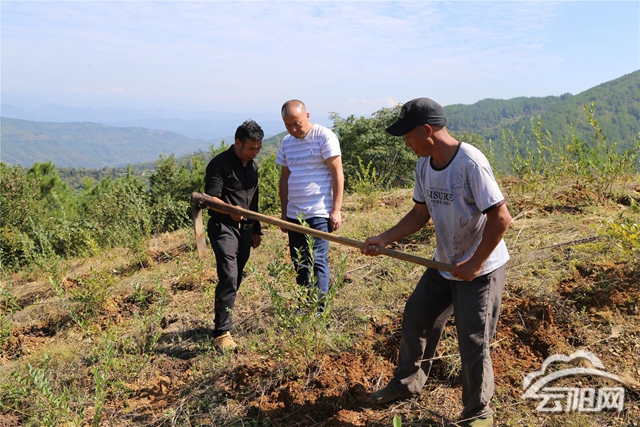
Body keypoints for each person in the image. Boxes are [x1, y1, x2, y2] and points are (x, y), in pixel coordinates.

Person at [361, 98, 512, 427]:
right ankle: (406, 384)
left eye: (408, 136)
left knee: (473, 340)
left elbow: (501, 218)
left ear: (427, 131)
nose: (406, 143)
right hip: (444, 263)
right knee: (418, 316)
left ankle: (478, 413)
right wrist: (385, 238)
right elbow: (420, 214)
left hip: (481, 269)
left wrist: (475, 263)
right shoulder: (425, 165)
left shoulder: (470, 163)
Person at [276, 100, 344, 305]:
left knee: (317, 258)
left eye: (297, 124)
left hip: (319, 211)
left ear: (307, 116)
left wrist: (336, 210)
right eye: (288, 125)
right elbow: (284, 178)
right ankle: (306, 305)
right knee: (300, 261)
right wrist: (284, 212)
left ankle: (319, 309)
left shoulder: (324, 136)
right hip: (294, 213)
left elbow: (337, 173)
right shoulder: (287, 142)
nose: (293, 129)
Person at [204, 119, 264, 352]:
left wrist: (257, 228)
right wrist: (231, 210)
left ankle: (222, 318)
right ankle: (221, 333)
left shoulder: (252, 167)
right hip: (224, 228)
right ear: (238, 142)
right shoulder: (219, 164)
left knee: (235, 278)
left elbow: (253, 199)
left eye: (258, 148)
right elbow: (210, 199)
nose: (255, 152)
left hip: (245, 231)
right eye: (251, 148)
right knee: (229, 277)